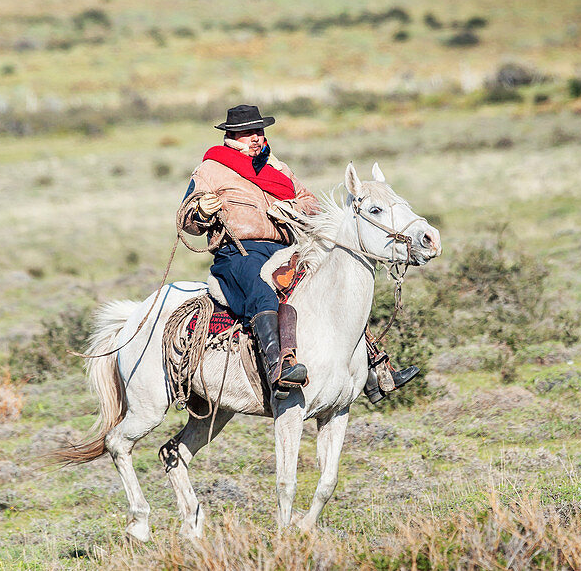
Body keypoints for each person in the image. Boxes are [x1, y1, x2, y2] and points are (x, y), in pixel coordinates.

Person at [178, 104, 419, 404]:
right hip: (238, 254)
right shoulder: (211, 170)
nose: (256, 138)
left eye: (259, 131)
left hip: (283, 249)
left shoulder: (276, 168)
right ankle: (277, 369)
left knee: (328, 289)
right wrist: (200, 211)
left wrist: (292, 208)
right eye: (248, 133)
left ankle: (374, 368)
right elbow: (187, 218)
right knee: (263, 293)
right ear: (231, 137)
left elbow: (311, 203)